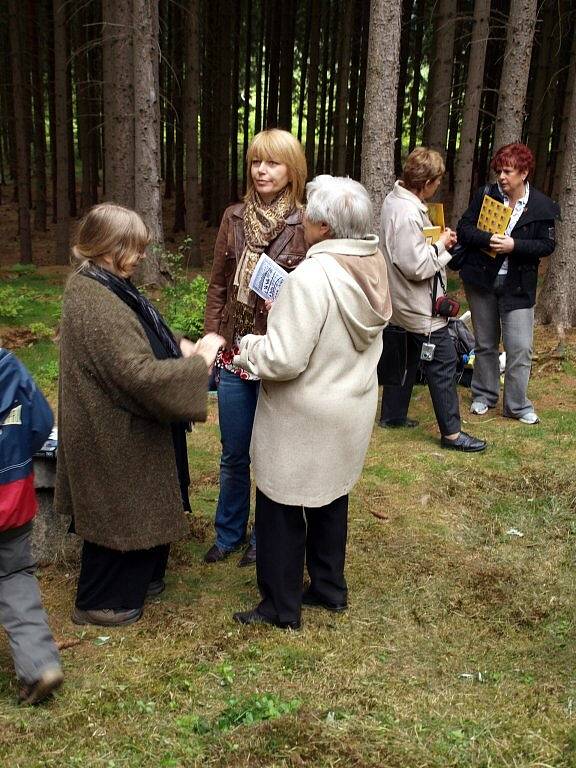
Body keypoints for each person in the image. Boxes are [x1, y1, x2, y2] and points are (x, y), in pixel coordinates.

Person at [231, 175, 392, 629]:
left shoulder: (311, 277)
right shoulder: (373, 263)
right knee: (331, 497)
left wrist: (246, 346)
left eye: (307, 216)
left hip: (303, 414)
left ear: (322, 226)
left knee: (280, 507)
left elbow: (283, 360)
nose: (300, 220)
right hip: (351, 404)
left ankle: (280, 608)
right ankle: (328, 588)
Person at [55, 203, 223, 628]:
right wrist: (198, 363)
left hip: (118, 421)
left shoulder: (107, 284)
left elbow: (143, 335)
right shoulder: (95, 300)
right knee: (118, 515)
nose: (144, 255)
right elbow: (136, 373)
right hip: (108, 427)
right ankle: (101, 603)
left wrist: (178, 345)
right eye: (136, 247)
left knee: (137, 506)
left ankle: (141, 580)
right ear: (111, 248)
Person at [203, 128, 308, 568]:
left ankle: (264, 539)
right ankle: (227, 534)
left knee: (271, 455)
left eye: (273, 163)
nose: (262, 171)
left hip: (276, 355)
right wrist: (212, 337)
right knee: (233, 452)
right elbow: (218, 287)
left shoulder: (306, 223)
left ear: (293, 170)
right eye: (256, 162)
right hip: (234, 357)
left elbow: (310, 296)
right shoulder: (233, 217)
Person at [379, 147, 486, 452]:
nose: (438, 185)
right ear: (426, 182)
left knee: (406, 356)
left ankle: (393, 416)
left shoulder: (394, 199)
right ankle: (451, 435)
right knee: (444, 360)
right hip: (416, 305)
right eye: (437, 180)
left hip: (400, 302)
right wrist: (443, 244)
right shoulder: (407, 212)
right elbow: (416, 267)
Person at [457, 143, 560, 424]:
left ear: (524, 173)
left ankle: (517, 405)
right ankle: (484, 395)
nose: (502, 177)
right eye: (499, 171)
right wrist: (487, 239)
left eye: (508, 171)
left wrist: (514, 245)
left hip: (518, 285)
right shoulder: (486, 195)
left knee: (520, 347)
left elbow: (547, 244)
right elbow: (464, 229)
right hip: (481, 280)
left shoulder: (541, 205)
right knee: (486, 343)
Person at [0, 347, 63, 704]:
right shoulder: (10, 368)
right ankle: (40, 665)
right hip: (13, 498)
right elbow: (40, 422)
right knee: (15, 578)